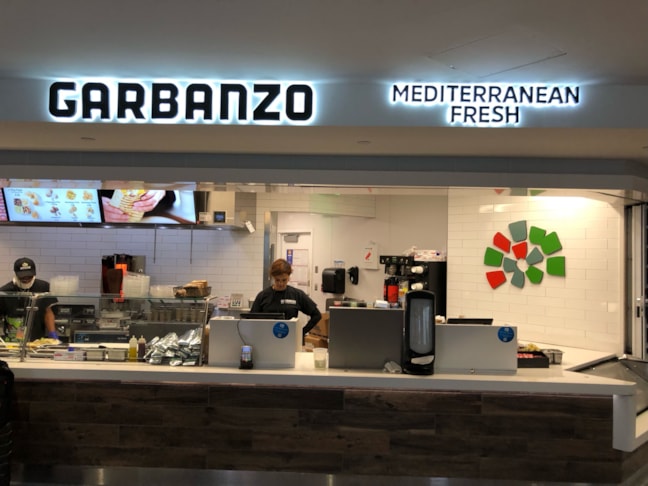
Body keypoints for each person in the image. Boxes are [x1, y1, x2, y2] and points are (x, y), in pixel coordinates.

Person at [250, 258, 321, 337]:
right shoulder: (263, 296)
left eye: (284, 280)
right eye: (277, 280)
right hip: (267, 338)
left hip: (290, 339)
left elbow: (317, 315)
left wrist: (301, 333)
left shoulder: (297, 295)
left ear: (289, 277)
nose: (280, 284)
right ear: (273, 277)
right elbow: (251, 320)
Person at [0, 257, 58, 342]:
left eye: (29, 276)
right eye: (22, 276)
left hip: (37, 339)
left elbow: (48, 312)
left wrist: (52, 333)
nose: (26, 279)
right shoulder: (5, 291)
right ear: (16, 274)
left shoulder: (44, 287)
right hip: (12, 340)